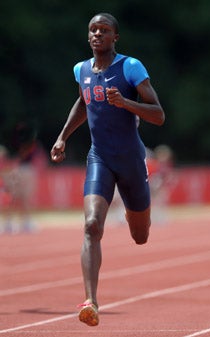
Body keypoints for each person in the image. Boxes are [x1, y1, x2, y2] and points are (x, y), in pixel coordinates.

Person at [51, 12, 165, 326]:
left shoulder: (130, 67)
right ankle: (91, 301)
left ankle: (135, 211)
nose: (97, 34)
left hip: (131, 161)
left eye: (104, 30)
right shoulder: (81, 70)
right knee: (91, 225)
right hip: (99, 158)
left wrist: (126, 103)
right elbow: (84, 103)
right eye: (92, 30)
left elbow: (158, 114)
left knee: (140, 236)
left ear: (115, 37)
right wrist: (62, 137)